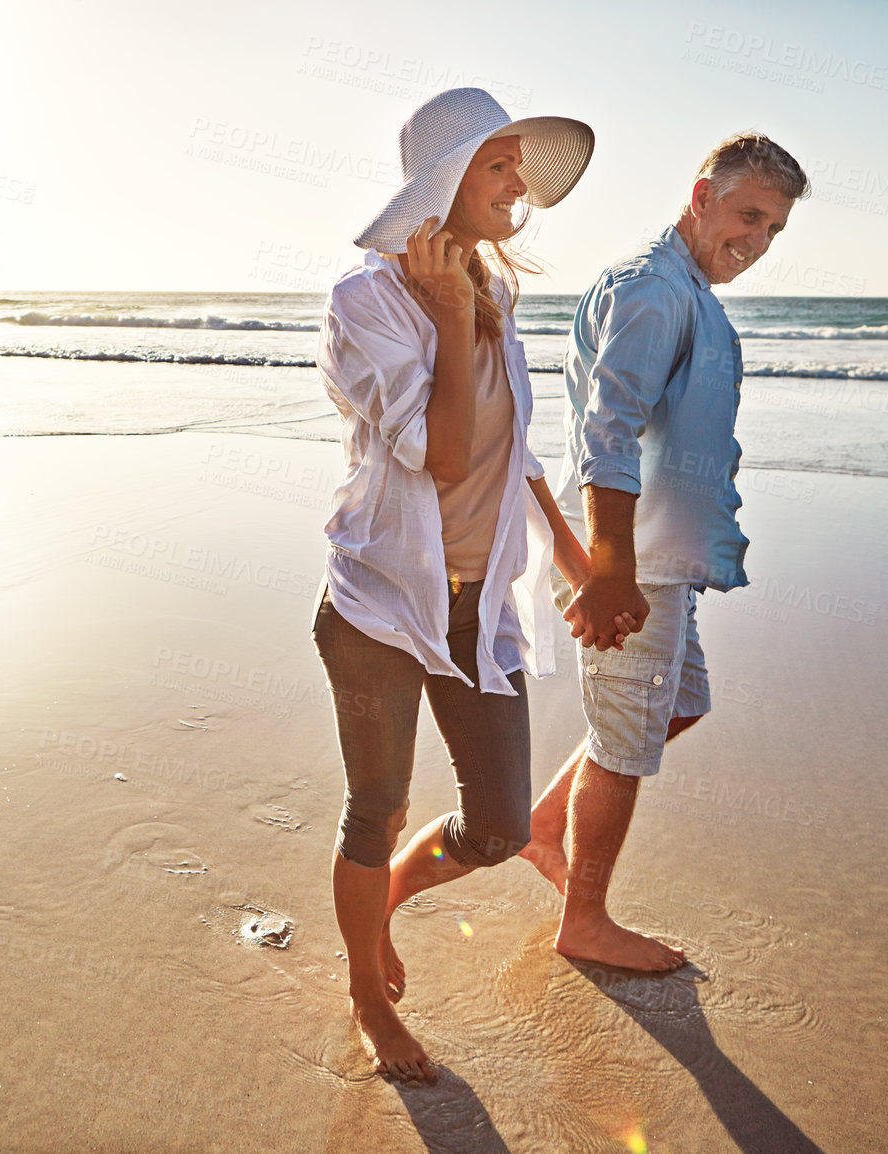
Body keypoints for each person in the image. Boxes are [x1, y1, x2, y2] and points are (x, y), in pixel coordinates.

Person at [312, 87, 622, 1083]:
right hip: (378, 607)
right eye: (497, 162)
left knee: (496, 824)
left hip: (475, 601)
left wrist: (577, 556)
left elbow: (510, 445)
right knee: (378, 806)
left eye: (515, 164)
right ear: (443, 181)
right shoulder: (365, 302)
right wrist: (447, 314)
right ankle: (367, 991)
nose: (516, 182)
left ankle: (383, 902)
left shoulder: (487, 288)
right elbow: (442, 456)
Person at [518, 132, 812, 972]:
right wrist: (608, 573)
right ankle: (586, 921)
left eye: (773, 230)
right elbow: (606, 432)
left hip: (664, 568)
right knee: (622, 748)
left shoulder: (690, 291)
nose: (755, 242)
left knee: (676, 709)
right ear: (700, 196)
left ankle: (544, 824)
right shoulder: (653, 288)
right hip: (633, 570)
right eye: (748, 215)